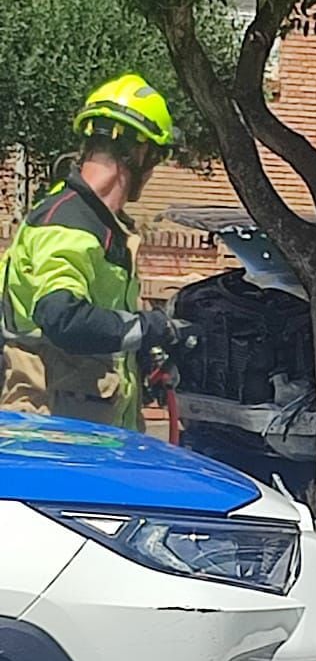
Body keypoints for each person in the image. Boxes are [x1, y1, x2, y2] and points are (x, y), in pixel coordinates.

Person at [0, 75, 188, 429]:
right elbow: (61, 318)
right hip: (52, 441)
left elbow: (100, 333)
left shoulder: (104, 227)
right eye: (156, 157)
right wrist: (153, 328)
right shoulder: (67, 223)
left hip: (94, 438)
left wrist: (144, 357)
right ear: (139, 152)